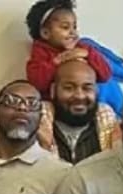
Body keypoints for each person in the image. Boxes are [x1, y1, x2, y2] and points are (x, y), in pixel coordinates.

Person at [23, 0, 110, 153]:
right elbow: (36, 82)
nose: (72, 32)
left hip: (87, 110)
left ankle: (108, 150)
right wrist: (57, 61)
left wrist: (88, 55)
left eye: (74, 27)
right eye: (65, 27)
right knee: (42, 113)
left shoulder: (83, 48)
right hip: (52, 106)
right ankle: (51, 152)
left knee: (105, 113)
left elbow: (105, 74)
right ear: (45, 33)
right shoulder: (40, 52)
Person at [51, 60, 119, 164]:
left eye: (87, 88)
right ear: (53, 90)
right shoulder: (38, 131)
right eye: (69, 88)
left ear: (96, 91)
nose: (79, 96)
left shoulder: (113, 132)